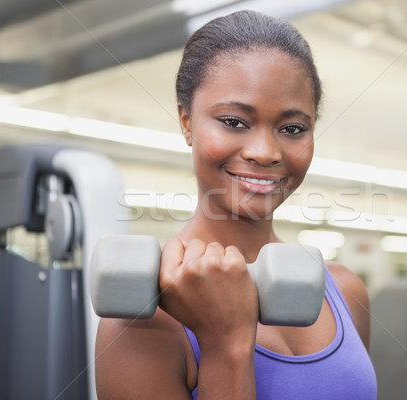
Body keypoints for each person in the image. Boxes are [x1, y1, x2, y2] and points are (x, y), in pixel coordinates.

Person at [95, 10, 377, 399]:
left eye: (292, 128)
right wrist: (226, 344)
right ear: (187, 122)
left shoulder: (345, 291)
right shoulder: (145, 317)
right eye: (234, 121)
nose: (265, 152)